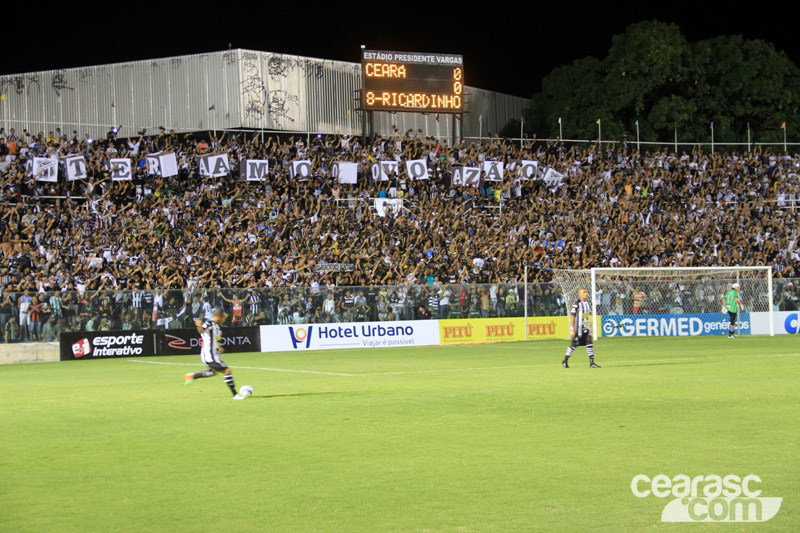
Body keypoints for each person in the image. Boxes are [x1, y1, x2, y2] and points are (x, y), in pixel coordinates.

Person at [185, 308, 246, 399]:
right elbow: (201, 330)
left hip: (214, 354)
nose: (223, 320)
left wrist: (219, 347)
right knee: (227, 371)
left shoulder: (217, 327)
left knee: (213, 373)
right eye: (223, 318)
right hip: (210, 355)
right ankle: (235, 394)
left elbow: (217, 340)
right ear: (218, 317)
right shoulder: (209, 324)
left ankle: (192, 376)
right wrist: (199, 325)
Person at [562, 288, 600, 368]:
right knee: (573, 345)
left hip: (585, 328)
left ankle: (592, 363)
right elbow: (572, 317)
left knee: (589, 343)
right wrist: (572, 329)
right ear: (580, 294)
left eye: (586, 292)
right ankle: (565, 360)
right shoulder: (577, 304)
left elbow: (587, 316)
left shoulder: (587, 303)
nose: (586, 293)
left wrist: (590, 326)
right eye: (583, 292)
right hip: (578, 329)